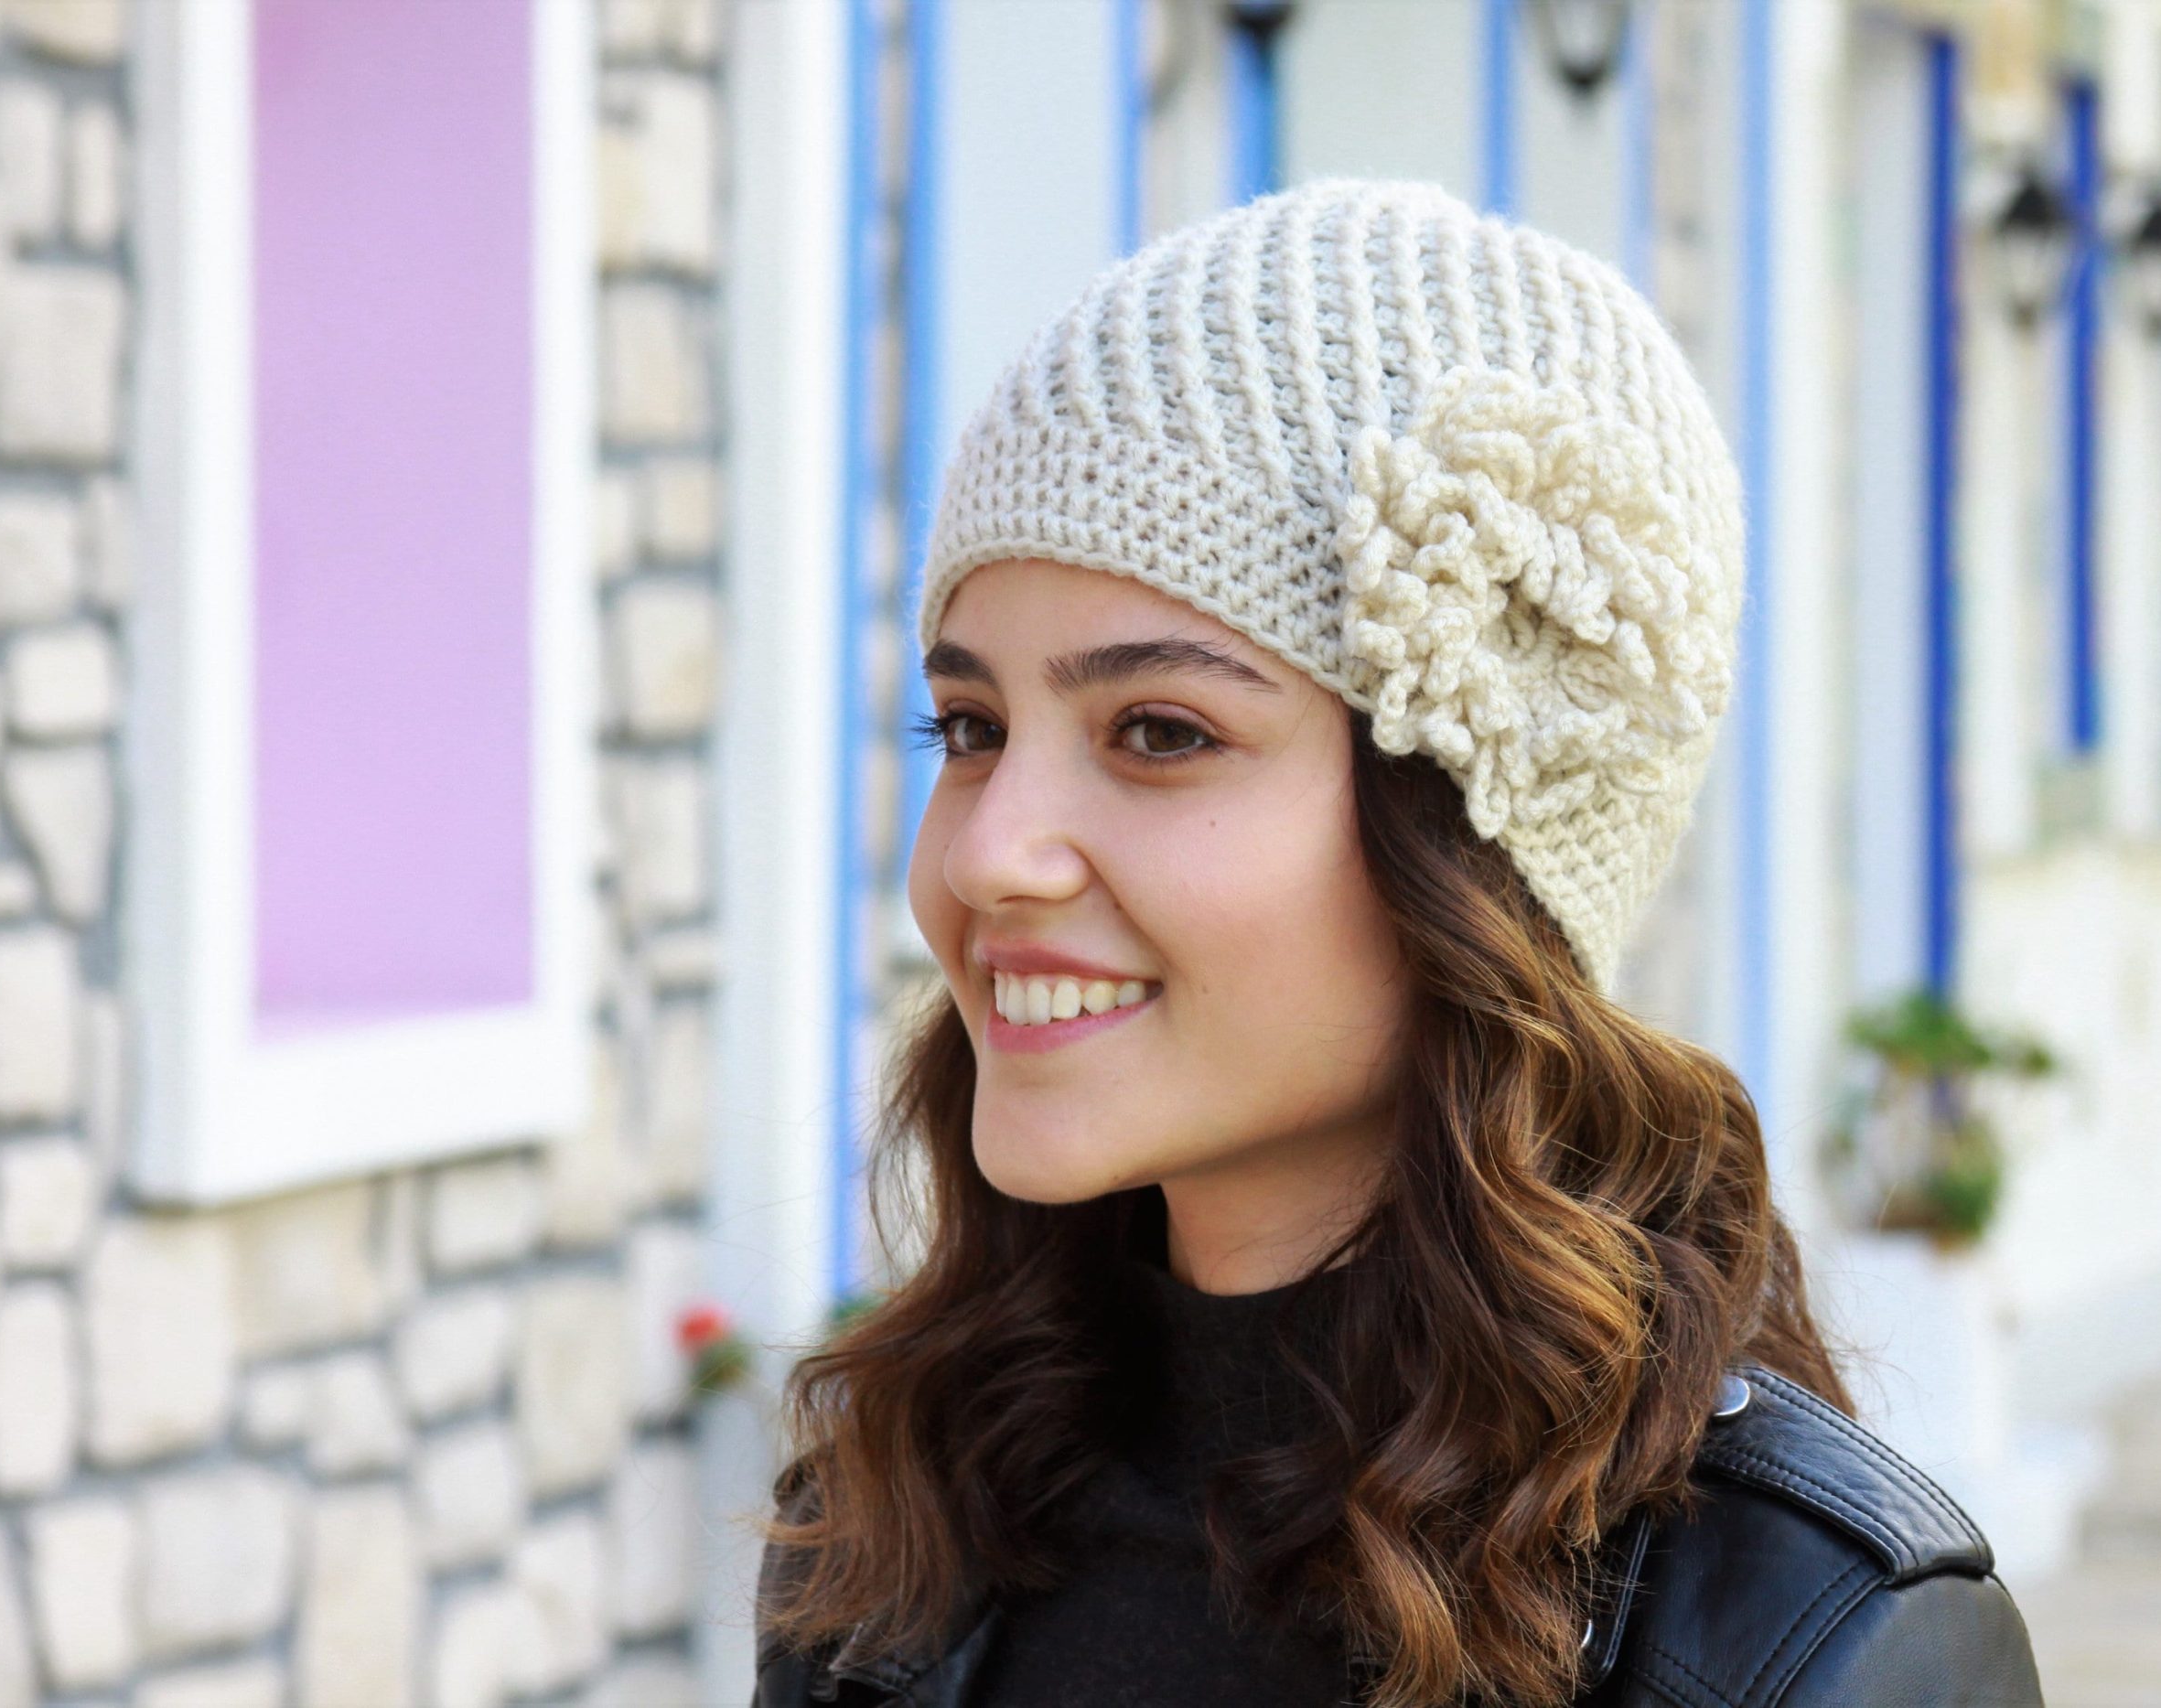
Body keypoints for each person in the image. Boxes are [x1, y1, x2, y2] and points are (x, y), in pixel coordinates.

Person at [751, 177, 2044, 1707]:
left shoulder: (1809, 1648)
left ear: (1476, 847)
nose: (984, 852)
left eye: (1159, 731)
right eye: (968, 726)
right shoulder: (896, 1529)